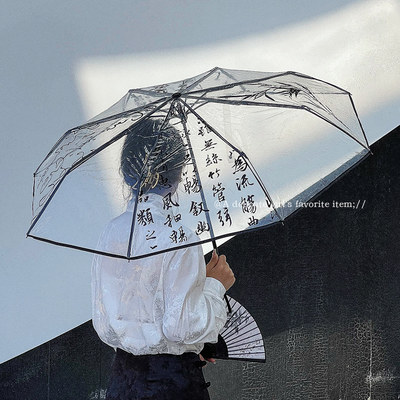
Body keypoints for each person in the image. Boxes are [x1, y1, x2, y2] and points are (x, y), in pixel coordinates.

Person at [91, 118, 235, 400]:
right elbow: (181, 326)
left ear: (125, 172)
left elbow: (107, 323)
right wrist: (215, 286)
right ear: (178, 173)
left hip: (123, 382)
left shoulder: (111, 232)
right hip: (172, 385)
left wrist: (191, 345)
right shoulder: (180, 235)